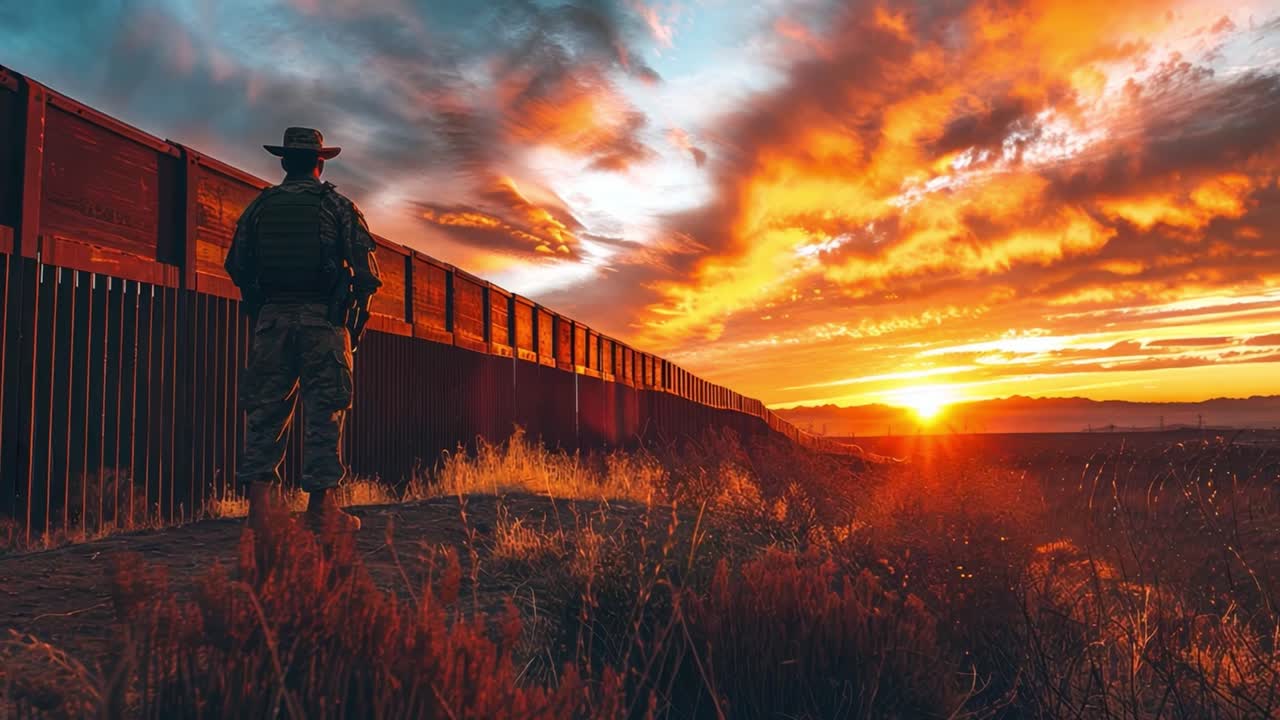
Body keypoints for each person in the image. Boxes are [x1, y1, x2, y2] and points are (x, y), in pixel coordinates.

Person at [225, 127, 382, 532]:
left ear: (282, 162)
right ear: (320, 161)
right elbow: (367, 275)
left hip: (272, 321)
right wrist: (353, 320)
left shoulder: (260, 207)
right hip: (322, 323)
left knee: (265, 414)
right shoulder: (338, 206)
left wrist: (262, 304)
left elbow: (238, 266)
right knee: (325, 413)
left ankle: (261, 513)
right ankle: (322, 511)